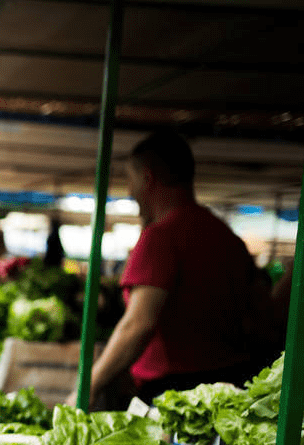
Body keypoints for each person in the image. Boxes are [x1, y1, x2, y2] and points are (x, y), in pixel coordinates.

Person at [68, 130, 278, 408]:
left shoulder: (161, 237)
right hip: (230, 387)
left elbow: (138, 324)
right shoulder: (226, 237)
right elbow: (259, 315)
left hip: (175, 396)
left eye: (130, 181)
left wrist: (88, 387)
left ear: (148, 178)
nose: (130, 192)